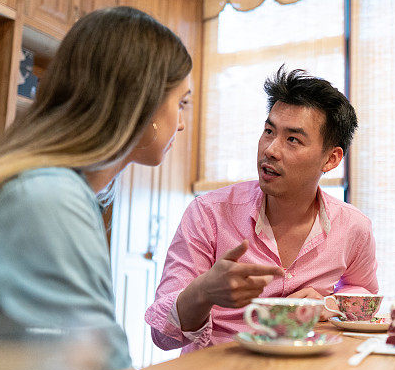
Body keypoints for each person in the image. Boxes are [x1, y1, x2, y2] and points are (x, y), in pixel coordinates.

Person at [0, 6, 192, 370]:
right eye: (180, 102)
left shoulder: (55, 189)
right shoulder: (45, 196)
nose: (180, 124)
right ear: (141, 102)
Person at [145, 67, 378, 353]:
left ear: (330, 159)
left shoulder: (353, 226)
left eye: (293, 139)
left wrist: (329, 304)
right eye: (269, 131)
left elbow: (365, 295)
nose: (271, 149)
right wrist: (204, 292)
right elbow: (162, 334)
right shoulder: (209, 213)